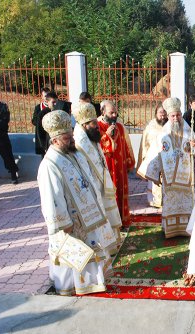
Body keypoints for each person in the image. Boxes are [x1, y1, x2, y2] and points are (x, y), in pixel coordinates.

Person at [37, 110, 117, 296]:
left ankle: (93, 282)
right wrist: (62, 223)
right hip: (70, 222)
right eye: (67, 138)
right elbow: (51, 198)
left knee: (91, 250)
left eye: (72, 136)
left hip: (88, 216)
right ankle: (72, 286)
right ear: (55, 140)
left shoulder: (75, 154)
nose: (72, 140)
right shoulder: (49, 165)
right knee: (71, 255)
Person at [138, 97, 195, 238]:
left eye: (178, 115)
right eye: (173, 115)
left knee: (187, 203)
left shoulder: (189, 131)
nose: (176, 118)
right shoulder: (163, 133)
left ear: (181, 115)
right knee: (170, 203)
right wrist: (153, 171)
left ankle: (188, 228)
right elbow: (156, 152)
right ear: (168, 116)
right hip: (170, 180)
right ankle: (170, 230)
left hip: (187, 178)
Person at [73, 102, 122, 250]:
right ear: (84, 124)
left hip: (102, 181)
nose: (96, 125)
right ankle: (106, 245)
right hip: (94, 185)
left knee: (108, 211)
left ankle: (112, 242)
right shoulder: (79, 142)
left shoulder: (91, 136)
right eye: (93, 123)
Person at [98, 100, 135, 227]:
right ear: (103, 112)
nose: (114, 115)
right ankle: (111, 224)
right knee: (109, 195)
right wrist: (106, 135)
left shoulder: (119, 126)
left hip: (120, 165)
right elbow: (95, 147)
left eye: (115, 112)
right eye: (111, 113)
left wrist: (129, 162)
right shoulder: (97, 126)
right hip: (105, 168)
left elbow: (125, 145)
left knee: (121, 192)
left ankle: (122, 220)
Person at [136, 103, 168, 207]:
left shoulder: (169, 125)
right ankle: (153, 200)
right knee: (153, 180)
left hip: (167, 158)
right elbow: (145, 143)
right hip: (153, 157)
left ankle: (166, 199)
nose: (162, 116)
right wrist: (145, 157)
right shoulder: (151, 127)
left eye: (164, 114)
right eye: (160, 114)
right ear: (156, 114)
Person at [0, 88, 19, 184]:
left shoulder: (2, 106)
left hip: (1, 135)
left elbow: (5, 119)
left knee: (7, 156)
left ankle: (13, 175)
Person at [32, 87, 51, 155]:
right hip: (42, 136)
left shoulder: (54, 106)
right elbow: (34, 121)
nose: (47, 97)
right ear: (42, 97)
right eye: (45, 96)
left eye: (48, 95)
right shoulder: (38, 107)